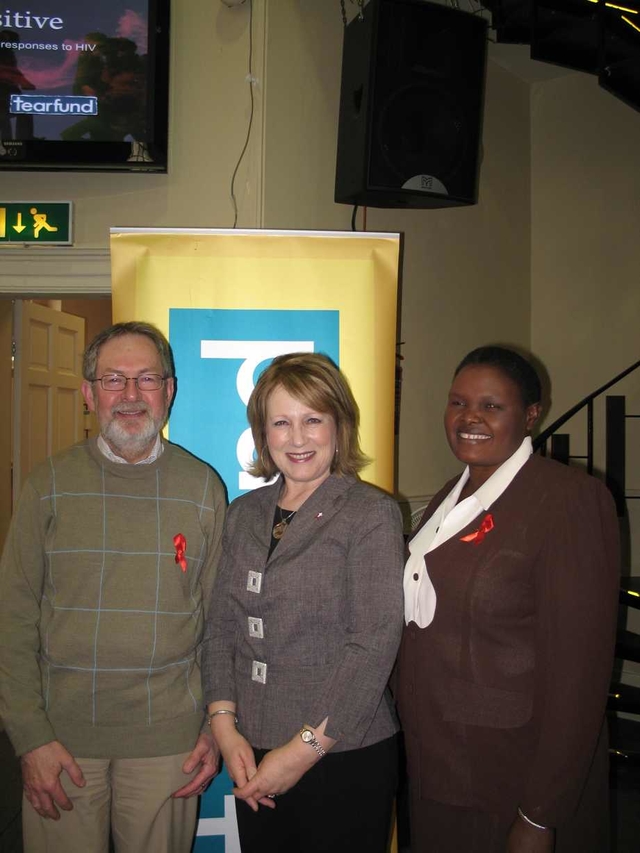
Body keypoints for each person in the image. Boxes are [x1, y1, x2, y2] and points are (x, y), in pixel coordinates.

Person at [0, 322, 227, 853]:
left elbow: (221, 625)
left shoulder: (202, 488)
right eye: (112, 380)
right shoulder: (47, 485)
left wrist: (217, 723)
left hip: (169, 743)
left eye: (147, 379)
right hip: (63, 739)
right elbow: (11, 619)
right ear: (88, 393)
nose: (130, 395)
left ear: (169, 392)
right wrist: (29, 736)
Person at [396, 345, 620, 853]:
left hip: (508, 777)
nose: (469, 417)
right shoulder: (449, 496)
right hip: (437, 765)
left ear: (531, 415)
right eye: (457, 403)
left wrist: (541, 815)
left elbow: (579, 676)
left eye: (491, 406)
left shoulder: (569, 501)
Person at [202, 352, 405, 853]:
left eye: (313, 420)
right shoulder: (243, 513)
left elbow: (374, 643)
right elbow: (220, 628)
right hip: (252, 744)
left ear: (339, 426)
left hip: (343, 752)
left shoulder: (370, 513)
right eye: (281, 422)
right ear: (262, 433)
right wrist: (225, 729)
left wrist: (301, 752)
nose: (297, 438)